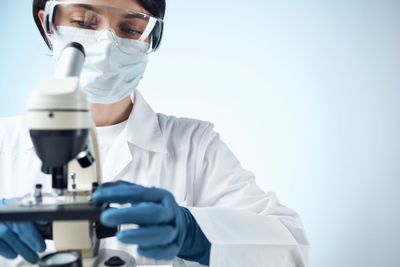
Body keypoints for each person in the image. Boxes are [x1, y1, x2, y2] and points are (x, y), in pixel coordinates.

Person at [0, 0, 310, 266]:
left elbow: (291, 250)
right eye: (82, 22)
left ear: (151, 39)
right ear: (48, 23)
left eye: (131, 29)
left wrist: (194, 232)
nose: (106, 45)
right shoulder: (4, 141)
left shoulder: (194, 145)